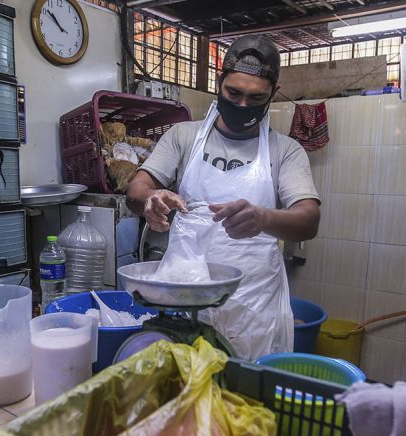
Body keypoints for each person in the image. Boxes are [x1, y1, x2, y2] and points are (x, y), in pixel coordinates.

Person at [127, 34, 321, 360]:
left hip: (255, 308)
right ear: (220, 83)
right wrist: (150, 198)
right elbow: (137, 188)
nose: (242, 105)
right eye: (234, 93)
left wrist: (264, 218)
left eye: (256, 98)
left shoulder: (284, 150)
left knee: (246, 402)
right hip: (186, 301)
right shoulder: (183, 136)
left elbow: (309, 220)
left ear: (273, 94)